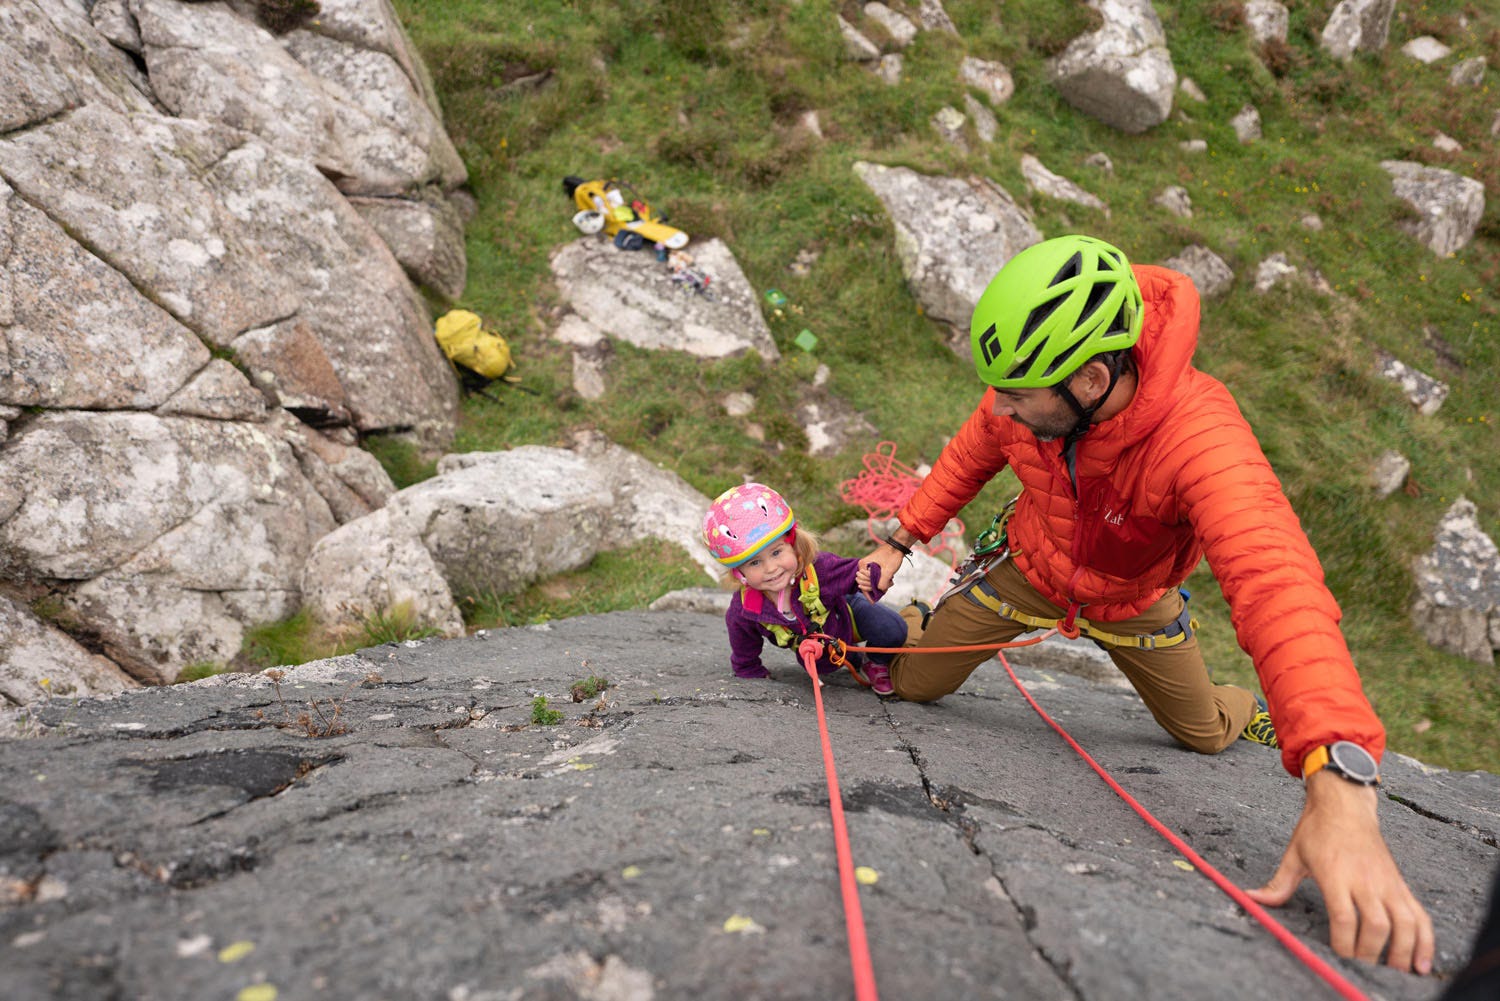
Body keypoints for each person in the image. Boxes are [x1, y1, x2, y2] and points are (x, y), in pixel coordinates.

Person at [861, 234, 1434, 973]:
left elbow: (1274, 576)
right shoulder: (1030, 390)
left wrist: (1339, 778)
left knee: (1203, 731)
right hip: (1028, 570)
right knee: (910, 679)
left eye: (1015, 394)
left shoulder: (1200, 436)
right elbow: (972, 451)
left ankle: (1240, 706)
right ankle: (895, 628)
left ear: (1092, 378)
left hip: (1135, 600)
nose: (999, 407)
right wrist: (901, 540)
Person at [704, 482, 906, 693]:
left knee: (891, 628)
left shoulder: (820, 570)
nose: (771, 568)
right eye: (754, 563)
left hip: (846, 614)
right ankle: (853, 658)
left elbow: (854, 572)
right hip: (818, 643)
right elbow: (742, 640)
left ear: (793, 544)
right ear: (739, 572)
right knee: (822, 664)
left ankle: (875, 661)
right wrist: (748, 668)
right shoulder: (746, 609)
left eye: (776, 553)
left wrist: (872, 576)